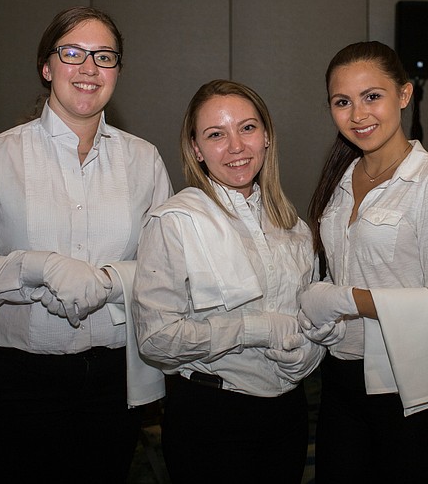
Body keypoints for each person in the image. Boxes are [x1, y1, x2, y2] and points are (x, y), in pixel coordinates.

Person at [0, 6, 173, 483]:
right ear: (47, 67)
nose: (89, 68)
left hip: (114, 377)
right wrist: (35, 266)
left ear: (118, 71)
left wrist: (109, 280)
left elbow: (166, 271)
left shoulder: (144, 161)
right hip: (16, 380)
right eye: (73, 53)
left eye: (104, 56)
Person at [131, 79, 324, 483]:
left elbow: (310, 317)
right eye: (216, 134)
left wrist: (310, 354)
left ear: (267, 137)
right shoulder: (176, 222)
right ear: (197, 149)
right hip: (211, 417)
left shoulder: (293, 227)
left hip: (288, 413)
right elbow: (156, 340)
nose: (236, 146)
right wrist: (256, 329)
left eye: (248, 128)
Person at [302, 41, 428, 482]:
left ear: (404, 94)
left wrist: (347, 299)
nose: (358, 115)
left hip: (409, 385)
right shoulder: (339, 177)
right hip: (340, 380)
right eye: (343, 102)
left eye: (372, 96)